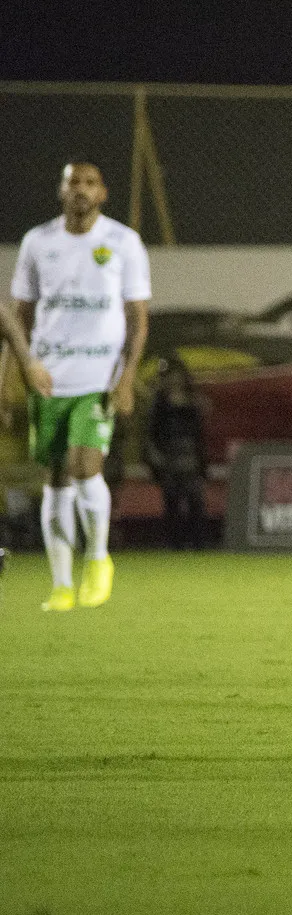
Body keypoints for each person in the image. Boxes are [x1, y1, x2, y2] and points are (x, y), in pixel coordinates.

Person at [0, 164, 153, 611]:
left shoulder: (123, 242)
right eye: (73, 183)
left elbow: (138, 321)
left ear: (103, 193)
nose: (81, 191)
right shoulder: (38, 242)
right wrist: (9, 378)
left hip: (97, 378)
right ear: (61, 191)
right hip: (48, 378)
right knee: (57, 479)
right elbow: (18, 318)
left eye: (89, 183)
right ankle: (62, 584)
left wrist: (127, 378)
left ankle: (99, 558)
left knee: (85, 466)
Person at [145, 355, 211, 550]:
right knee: (172, 500)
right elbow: (152, 431)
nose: (175, 380)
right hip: (169, 456)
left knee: (196, 501)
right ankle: (175, 543)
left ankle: (199, 543)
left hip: (191, 455)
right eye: (171, 376)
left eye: (178, 375)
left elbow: (200, 431)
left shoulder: (194, 401)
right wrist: (155, 456)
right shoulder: (159, 403)